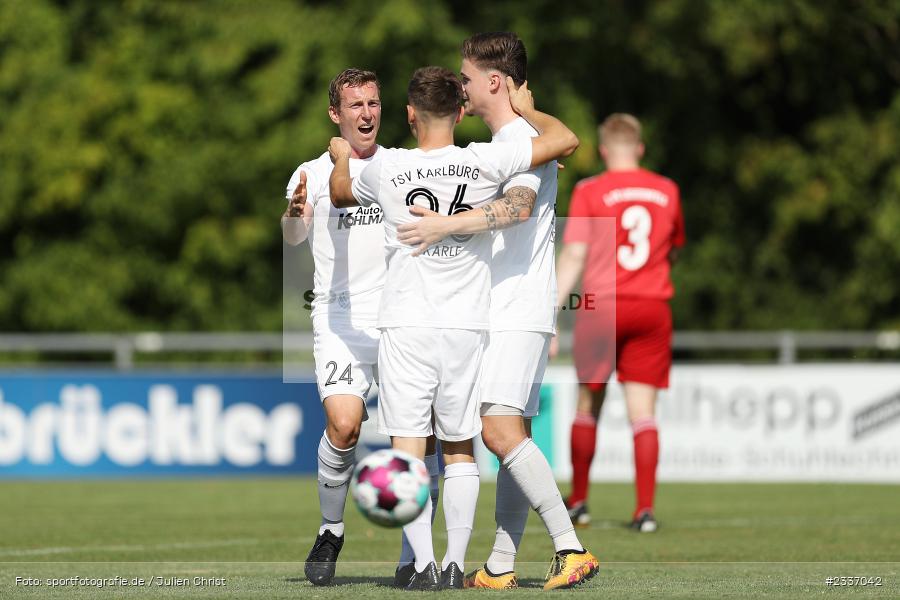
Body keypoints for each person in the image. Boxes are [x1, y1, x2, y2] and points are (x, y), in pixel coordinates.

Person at [328, 66, 578, 590]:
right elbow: (563, 141)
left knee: (408, 445)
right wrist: (524, 107)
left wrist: (341, 156)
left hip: (405, 324)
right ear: (461, 112)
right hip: (468, 327)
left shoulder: (389, 168)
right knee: (461, 447)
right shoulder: (483, 160)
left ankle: (420, 564)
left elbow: (342, 193)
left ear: (409, 115)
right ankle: (454, 562)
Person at [396, 32, 599, 591]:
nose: (460, 86)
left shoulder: (522, 139)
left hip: (516, 306)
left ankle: (570, 546)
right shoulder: (513, 139)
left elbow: (518, 207)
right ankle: (502, 564)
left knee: (497, 431)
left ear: (493, 82)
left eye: (466, 76)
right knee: (513, 434)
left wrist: (443, 223)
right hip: (505, 307)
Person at [282, 68, 440, 587]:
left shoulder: (401, 165)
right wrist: (294, 214)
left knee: (418, 439)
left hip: (400, 315)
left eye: (373, 103)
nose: (367, 114)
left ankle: (411, 557)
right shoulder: (309, 170)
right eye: (355, 106)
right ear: (336, 114)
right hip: (340, 318)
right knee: (345, 426)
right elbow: (292, 236)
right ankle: (331, 530)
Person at [555, 113, 685, 532]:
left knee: (588, 404)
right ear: (641, 148)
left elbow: (574, 254)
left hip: (602, 307)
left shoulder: (590, 190)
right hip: (651, 307)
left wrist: (551, 312)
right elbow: (673, 250)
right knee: (642, 413)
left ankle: (579, 502)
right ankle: (644, 510)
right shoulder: (667, 190)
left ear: (604, 150)